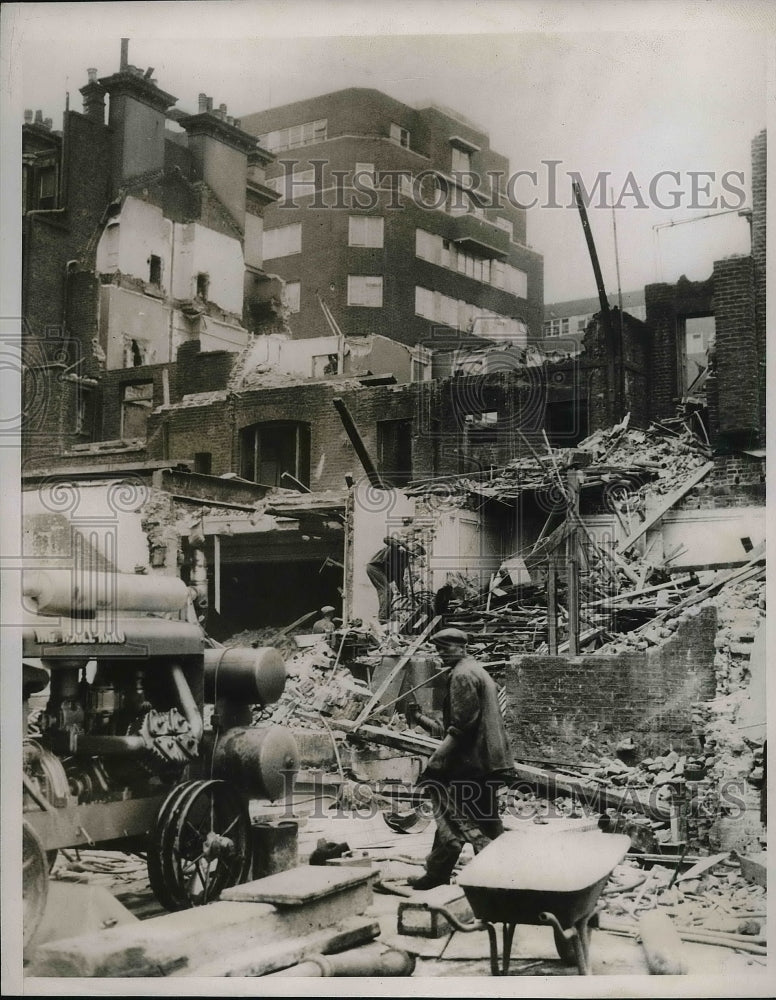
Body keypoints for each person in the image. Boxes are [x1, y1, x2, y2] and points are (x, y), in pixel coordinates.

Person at [405, 627, 513, 890]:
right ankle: (439, 872)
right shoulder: (476, 669)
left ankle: (495, 880)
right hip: (487, 760)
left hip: (472, 762)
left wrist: (437, 760)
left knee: (469, 818)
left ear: (461, 647)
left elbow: (461, 727)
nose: (441, 654)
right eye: (438, 648)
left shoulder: (462, 675)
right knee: (465, 816)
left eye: (446, 649)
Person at [365, 534, 424, 622]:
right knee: (386, 591)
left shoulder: (404, 560)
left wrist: (406, 594)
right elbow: (386, 538)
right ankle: (383, 617)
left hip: (383, 572)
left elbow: (398, 579)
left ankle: (386, 616)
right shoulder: (398, 548)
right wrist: (400, 545)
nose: (413, 557)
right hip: (375, 567)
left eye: (415, 556)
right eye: (414, 554)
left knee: (390, 593)